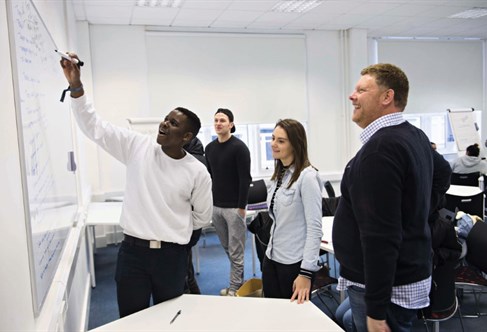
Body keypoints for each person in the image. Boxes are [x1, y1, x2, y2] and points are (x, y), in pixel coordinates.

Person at [60, 53, 213, 317]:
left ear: (186, 137)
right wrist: (76, 86)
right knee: (131, 320)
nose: (165, 123)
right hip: (133, 254)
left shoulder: (197, 172)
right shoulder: (138, 147)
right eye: (166, 118)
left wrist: (172, 230)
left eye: (173, 123)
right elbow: (94, 127)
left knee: (171, 320)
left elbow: (202, 218)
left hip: (172, 257)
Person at [333, 63, 435, 332]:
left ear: (387, 97)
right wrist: (417, 216)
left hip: (385, 289)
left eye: (361, 89)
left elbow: (381, 235)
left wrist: (376, 309)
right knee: (344, 319)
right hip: (397, 276)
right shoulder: (412, 135)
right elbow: (442, 175)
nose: (351, 96)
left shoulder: (381, 149)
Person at [263, 119, 323, 304]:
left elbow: (314, 229)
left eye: (281, 141)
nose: (273, 144)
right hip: (272, 257)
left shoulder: (307, 177)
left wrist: (306, 272)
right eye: (273, 138)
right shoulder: (279, 175)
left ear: (295, 144)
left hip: (294, 263)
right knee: (273, 315)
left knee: (293, 322)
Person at [205, 108, 252, 296]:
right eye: (216, 120)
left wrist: (242, 207)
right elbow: (210, 177)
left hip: (234, 208)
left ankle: (234, 289)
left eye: (222, 120)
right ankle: (238, 282)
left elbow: (245, 179)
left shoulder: (239, 148)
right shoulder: (209, 149)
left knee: (236, 251)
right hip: (216, 207)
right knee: (228, 248)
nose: (218, 123)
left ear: (231, 124)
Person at [183, 137, 208, 294]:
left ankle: (191, 298)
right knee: (186, 265)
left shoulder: (189, 164)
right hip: (193, 224)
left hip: (185, 224)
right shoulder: (202, 161)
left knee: (184, 269)